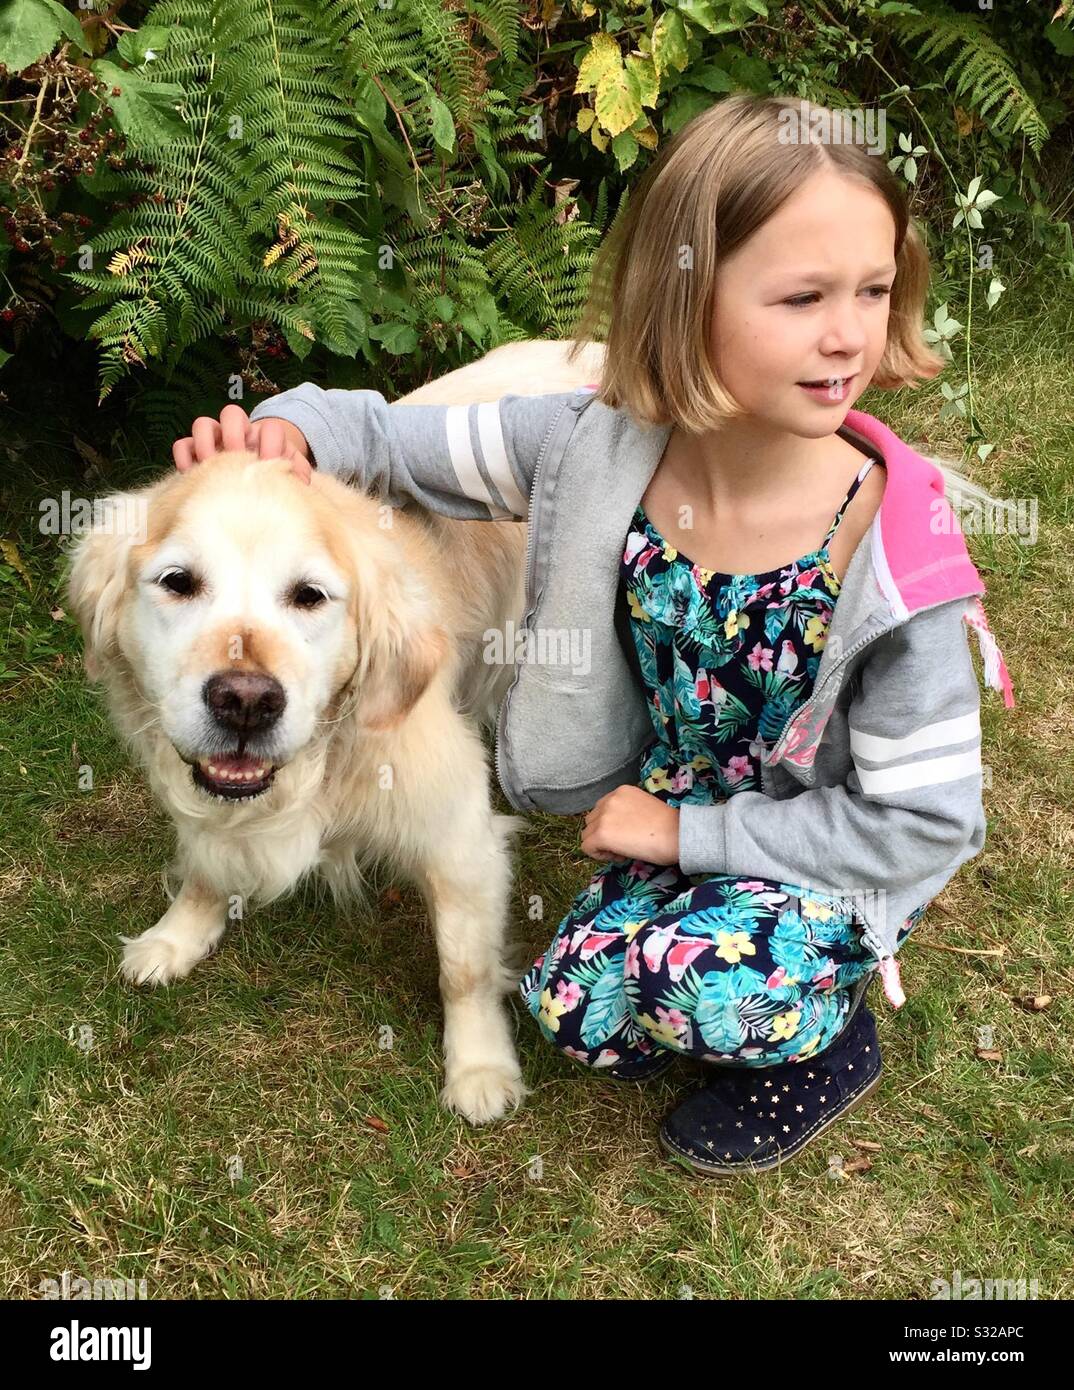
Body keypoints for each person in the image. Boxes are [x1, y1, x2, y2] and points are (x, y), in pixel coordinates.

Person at [172, 94, 1015, 1175]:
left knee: (699, 993)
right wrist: (289, 426)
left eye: (873, 289)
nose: (848, 333)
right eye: (803, 296)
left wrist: (686, 838)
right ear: (687, 299)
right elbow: (388, 439)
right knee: (575, 1007)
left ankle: (831, 1037)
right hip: (667, 810)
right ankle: (708, 943)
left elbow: (921, 825)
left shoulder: (901, 560)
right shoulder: (594, 446)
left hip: (822, 852)